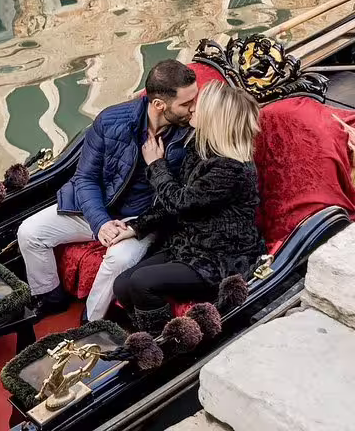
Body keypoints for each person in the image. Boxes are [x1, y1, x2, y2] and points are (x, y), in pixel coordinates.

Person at [17, 59, 198, 321]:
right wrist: (100, 222)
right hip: (97, 209)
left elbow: (178, 198)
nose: (194, 108)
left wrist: (135, 226)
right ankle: (50, 297)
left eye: (194, 99)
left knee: (119, 260)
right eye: (186, 103)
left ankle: (90, 322)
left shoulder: (190, 135)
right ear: (159, 104)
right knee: (30, 232)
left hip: (142, 220)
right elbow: (85, 177)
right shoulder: (111, 120)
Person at [110, 80, 266, 335]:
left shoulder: (232, 169)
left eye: (199, 105)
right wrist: (136, 227)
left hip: (219, 258)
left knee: (141, 282)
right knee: (123, 284)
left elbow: (181, 202)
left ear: (216, 118)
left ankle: (168, 343)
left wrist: (156, 165)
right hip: (189, 246)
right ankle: (149, 332)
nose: (193, 108)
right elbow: (176, 206)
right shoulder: (201, 150)